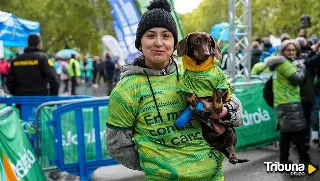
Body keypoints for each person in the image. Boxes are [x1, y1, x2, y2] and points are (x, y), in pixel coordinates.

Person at [105, 0, 243, 180]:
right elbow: (116, 145)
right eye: (150, 35)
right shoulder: (125, 90)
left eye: (166, 35)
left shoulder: (197, 71)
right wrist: (155, 164)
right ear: (139, 43)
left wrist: (224, 111)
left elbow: (238, 113)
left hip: (213, 176)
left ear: (175, 43)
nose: (158, 43)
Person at [264, 40, 316, 166]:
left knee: (286, 134)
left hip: (282, 103)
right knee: (299, 133)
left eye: (293, 50)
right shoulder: (284, 64)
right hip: (290, 103)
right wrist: (303, 68)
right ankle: (305, 161)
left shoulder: (280, 64)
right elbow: (297, 79)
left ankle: (284, 160)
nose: (292, 52)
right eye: (288, 50)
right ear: (283, 51)